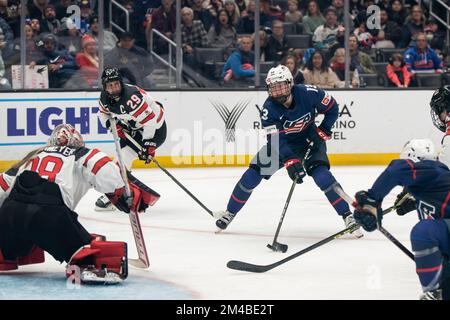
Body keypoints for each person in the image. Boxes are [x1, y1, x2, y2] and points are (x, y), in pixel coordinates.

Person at [214, 65, 362, 238]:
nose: (278, 91)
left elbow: (333, 108)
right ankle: (230, 212)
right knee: (251, 176)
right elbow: (277, 140)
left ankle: (347, 216)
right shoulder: (269, 109)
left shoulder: (309, 93)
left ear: (290, 84)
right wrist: (290, 160)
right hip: (282, 145)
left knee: (323, 177)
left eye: (281, 85)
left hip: (310, 141)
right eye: (273, 87)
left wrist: (324, 129)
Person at [0, 124, 157, 284]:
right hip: (48, 215)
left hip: (10, 214)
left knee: (14, 244)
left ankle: (4, 255)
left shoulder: (33, 156)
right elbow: (109, 176)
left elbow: (2, 185)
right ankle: (86, 263)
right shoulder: (83, 153)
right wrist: (123, 193)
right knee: (88, 253)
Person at [351, 138, 450, 300]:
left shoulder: (434, 169)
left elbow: (396, 169)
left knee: (423, 232)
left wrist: (372, 200)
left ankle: (434, 292)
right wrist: (413, 201)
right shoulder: (431, 184)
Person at [95, 67, 166, 211]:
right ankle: (119, 192)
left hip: (154, 130)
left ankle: (119, 192)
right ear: (105, 86)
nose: (114, 88)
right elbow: (103, 115)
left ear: (121, 83)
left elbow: (150, 121)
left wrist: (148, 144)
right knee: (121, 160)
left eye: (116, 84)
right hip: (134, 129)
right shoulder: (104, 97)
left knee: (123, 159)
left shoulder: (131, 98)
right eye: (110, 85)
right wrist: (113, 126)